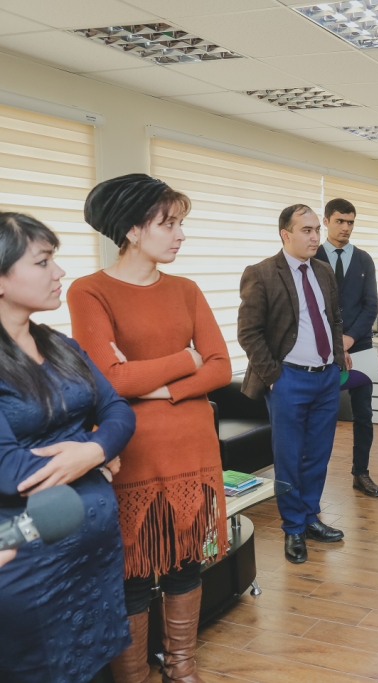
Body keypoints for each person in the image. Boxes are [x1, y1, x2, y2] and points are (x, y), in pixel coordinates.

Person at [68, 174, 232, 683]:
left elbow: (221, 366)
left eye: (180, 223)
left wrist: (158, 388)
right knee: (134, 572)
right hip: (134, 452)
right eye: (169, 223)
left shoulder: (186, 289)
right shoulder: (89, 290)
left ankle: (182, 669)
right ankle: (134, 676)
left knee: (186, 563)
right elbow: (109, 379)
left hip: (194, 448)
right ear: (133, 230)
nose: (180, 234)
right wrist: (185, 360)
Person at [0, 212, 136, 683]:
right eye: (42, 262)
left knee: (96, 670)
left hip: (93, 556)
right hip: (29, 555)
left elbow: (119, 411)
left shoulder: (61, 345)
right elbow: (10, 468)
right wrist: (95, 451)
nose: (58, 272)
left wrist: (93, 452)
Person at [237, 204, 350, 565]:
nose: (316, 237)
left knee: (318, 454)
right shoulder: (261, 273)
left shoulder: (323, 271)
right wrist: (274, 377)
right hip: (288, 379)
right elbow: (249, 333)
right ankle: (293, 529)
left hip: (326, 378)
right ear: (286, 234)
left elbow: (333, 319)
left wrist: (337, 358)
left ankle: (311, 517)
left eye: (317, 229)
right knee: (288, 458)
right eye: (307, 230)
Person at [314, 197, 378, 497]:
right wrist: (334, 342)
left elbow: (371, 306)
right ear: (326, 221)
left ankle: (361, 473)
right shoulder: (312, 256)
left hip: (360, 345)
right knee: (322, 415)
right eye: (340, 221)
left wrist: (350, 338)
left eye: (350, 222)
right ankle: (315, 477)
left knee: (363, 413)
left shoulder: (364, 259)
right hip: (321, 348)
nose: (346, 227)